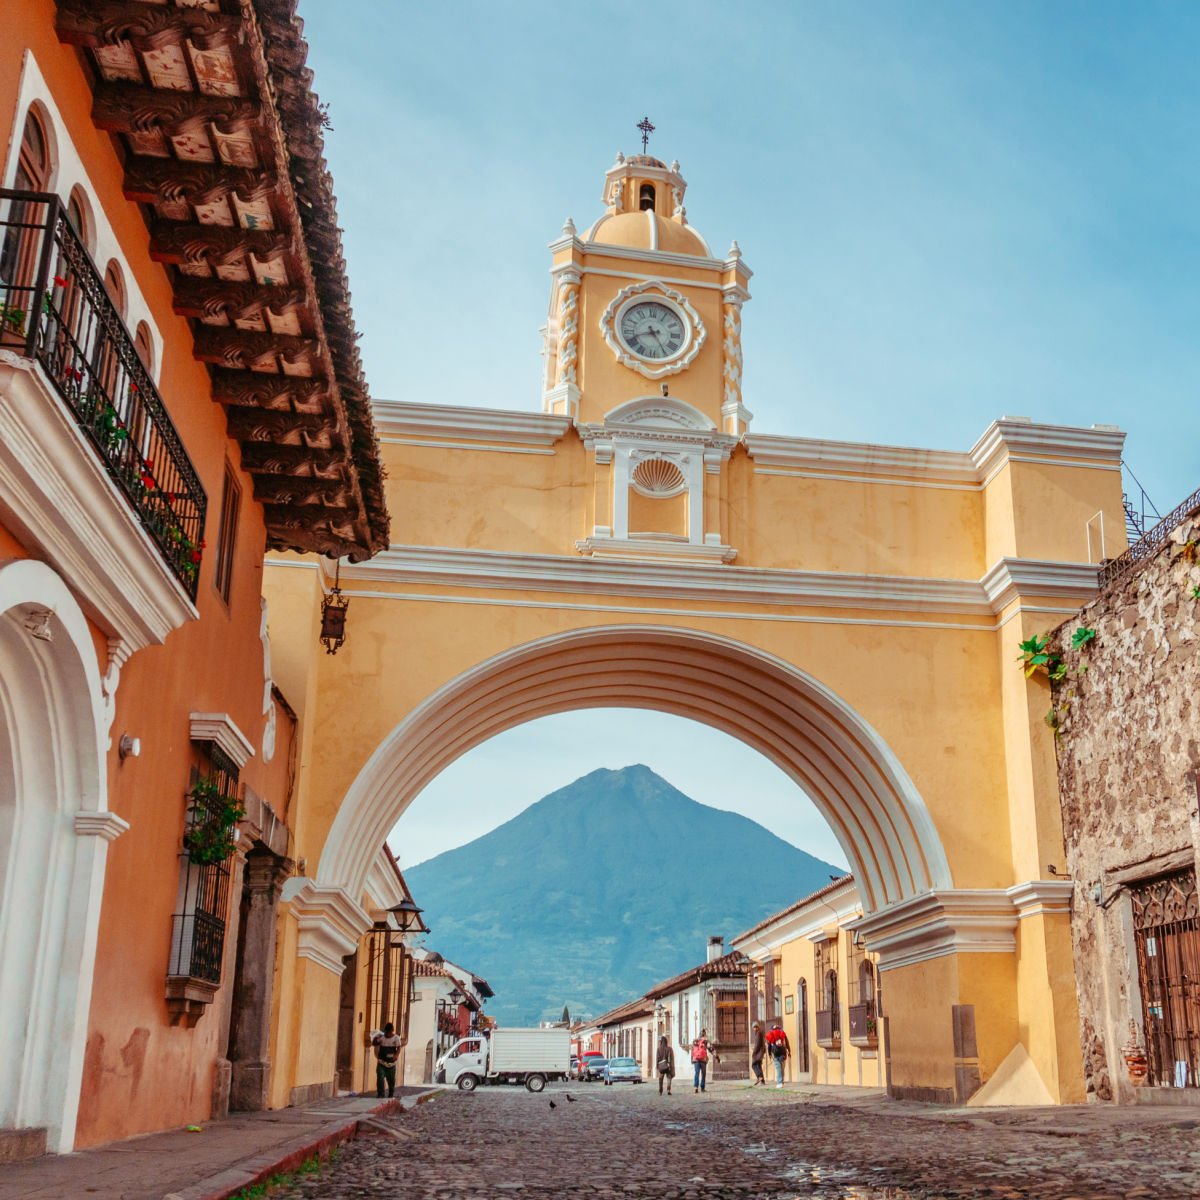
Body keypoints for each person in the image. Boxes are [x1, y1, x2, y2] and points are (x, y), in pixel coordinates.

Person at [372, 1021, 402, 1098]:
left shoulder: (396, 1038)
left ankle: (391, 1093)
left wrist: (396, 1055)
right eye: (386, 1032)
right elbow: (374, 1043)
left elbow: (398, 1048)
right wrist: (376, 1038)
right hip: (381, 1062)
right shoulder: (382, 1037)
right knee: (380, 1078)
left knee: (391, 1080)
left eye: (389, 1032)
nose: (387, 1034)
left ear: (392, 1031)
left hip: (391, 1064)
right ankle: (380, 1094)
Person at [766, 1021, 790, 1088]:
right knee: (782, 1067)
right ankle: (781, 1082)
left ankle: (779, 1083)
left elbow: (769, 1046)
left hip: (775, 1053)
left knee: (778, 1068)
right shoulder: (782, 1033)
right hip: (783, 1052)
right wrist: (789, 1051)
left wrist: (769, 1054)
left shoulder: (771, 1034)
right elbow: (787, 1043)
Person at [690, 1028, 716, 1093]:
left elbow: (692, 1050)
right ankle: (702, 1088)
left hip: (696, 1059)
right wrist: (716, 1057)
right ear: (705, 1034)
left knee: (696, 1073)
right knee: (703, 1074)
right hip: (703, 1059)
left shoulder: (695, 1041)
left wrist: (692, 1059)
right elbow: (711, 1049)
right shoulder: (705, 1041)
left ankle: (696, 1087)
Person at [750, 1022, 766, 1086]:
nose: (754, 1028)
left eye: (755, 1027)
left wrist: (754, 1053)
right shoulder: (758, 1033)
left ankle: (759, 1077)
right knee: (758, 1066)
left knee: (753, 1065)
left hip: (758, 1053)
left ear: (757, 1027)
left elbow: (757, 1045)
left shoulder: (758, 1033)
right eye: (754, 1027)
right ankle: (762, 1081)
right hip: (760, 1052)